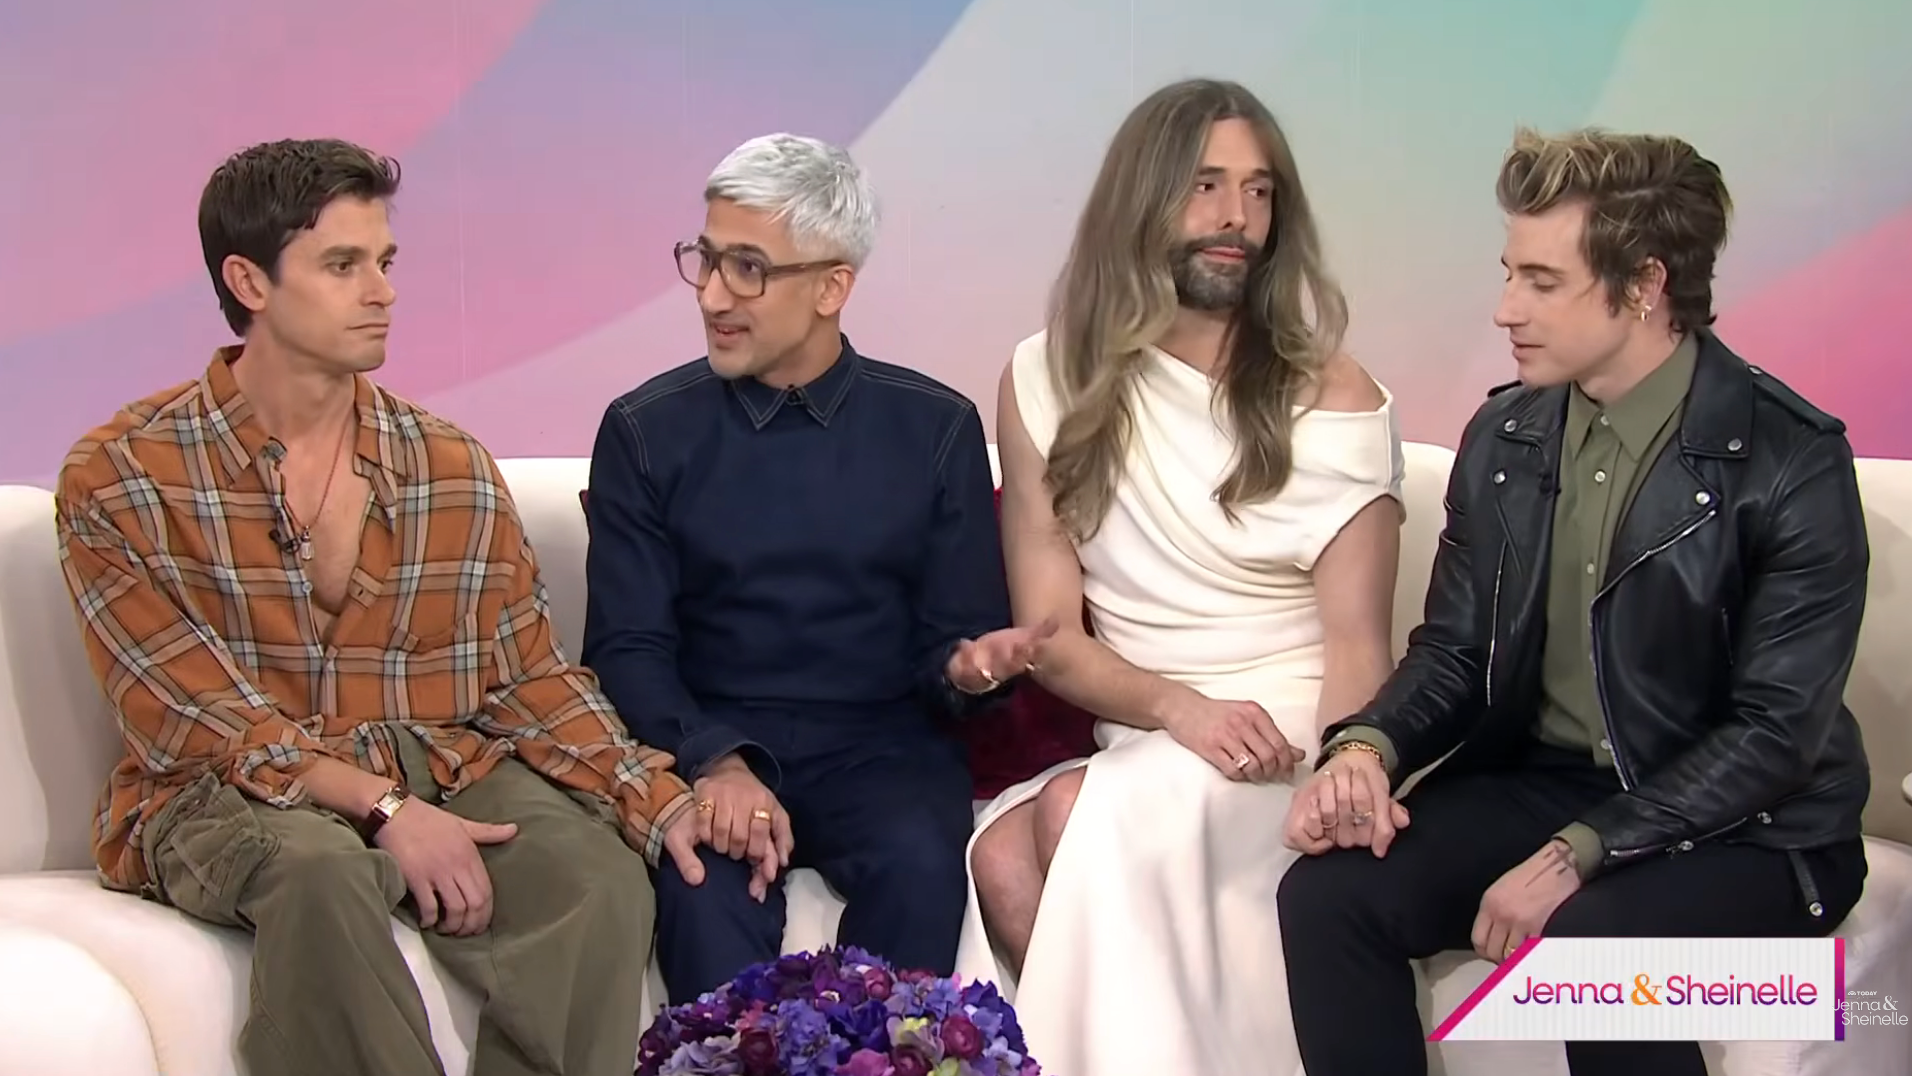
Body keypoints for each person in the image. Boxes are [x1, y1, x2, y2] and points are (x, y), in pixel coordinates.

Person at [56, 138, 705, 1076]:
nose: (383, 290)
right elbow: (197, 722)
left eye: (386, 262)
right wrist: (384, 807)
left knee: (597, 879)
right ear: (249, 280)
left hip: (439, 758)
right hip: (224, 790)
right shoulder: (123, 476)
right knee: (319, 874)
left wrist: (651, 799)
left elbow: (528, 679)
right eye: (343, 265)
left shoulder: (449, 466)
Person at [1276, 127, 1873, 1076]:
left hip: (1759, 828)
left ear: (1643, 285)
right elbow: (1456, 651)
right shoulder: (1506, 434)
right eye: (1509, 272)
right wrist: (1364, 749)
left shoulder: (1790, 459)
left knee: (1595, 953)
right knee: (1327, 896)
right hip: (1553, 783)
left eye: (1542, 282)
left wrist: (1582, 852)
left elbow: (1775, 735)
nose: (1506, 308)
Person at [952, 79, 1406, 1076]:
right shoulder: (1042, 380)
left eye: (1257, 190)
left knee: (1073, 816)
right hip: (1158, 715)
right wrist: (1176, 707)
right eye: (1204, 185)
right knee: (997, 855)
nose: (1235, 217)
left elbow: (1356, 646)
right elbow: (1052, 633)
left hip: (1291, 714)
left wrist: (1346, 764)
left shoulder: (1335, 394)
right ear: (1141, 199)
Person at [581, 133, 1050, 1004]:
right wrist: (714, 761)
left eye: (749, 269)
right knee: (698, 893)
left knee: (920, 864)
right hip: (712, 740)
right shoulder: (645, 431)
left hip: (883, 748)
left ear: (833, 286)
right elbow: (625, 648)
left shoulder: (934, 428)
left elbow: (952, 649)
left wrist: (968, 669)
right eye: (707, 261)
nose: (715, 296)